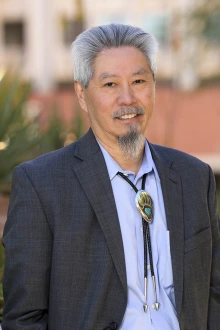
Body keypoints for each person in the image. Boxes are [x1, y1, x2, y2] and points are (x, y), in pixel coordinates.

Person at [2, 24, 220, 330]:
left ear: (154, 85)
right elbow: (23, 319)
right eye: (110, 85)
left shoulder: (194, 177)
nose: (128, 98)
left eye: (139, 81)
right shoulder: (42, 184)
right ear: (82, 93)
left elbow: (214, 294)